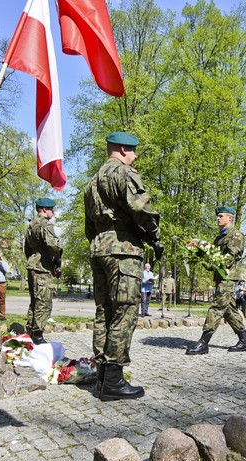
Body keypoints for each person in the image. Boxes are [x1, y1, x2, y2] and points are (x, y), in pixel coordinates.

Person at [84, 131, 162, 401]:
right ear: (121, 149)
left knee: (104, 311)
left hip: (99, 249)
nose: (135, 155)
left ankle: (103, 376)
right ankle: (114, 381)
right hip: (123, 251)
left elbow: (88, 226)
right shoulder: (123, 174)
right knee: (125, 312)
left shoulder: (92, 183)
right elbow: (141, 208)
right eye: (132, 150)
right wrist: (154, 236)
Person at [186, 206, 246, 355]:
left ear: (230, 218)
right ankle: (245, 341)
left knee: (217, 307)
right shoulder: (218, 238)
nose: (217, 218)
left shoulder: (235, 235)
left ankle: (203, 342)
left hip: (228, 277)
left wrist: (216, 261)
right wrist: (201, 255)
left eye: (221, 216)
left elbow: (230, 257)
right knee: (229, 310)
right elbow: (213, 263)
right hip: (220, 276)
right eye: (217, 216)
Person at [24, 198, 63, 345]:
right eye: (51, 209)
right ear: (44, 210)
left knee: (35, 301)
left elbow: (26, 248)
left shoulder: (31, 226)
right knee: (44, 302)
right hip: (42, 267)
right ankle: (37, 335)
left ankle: (30, 330)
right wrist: (57, 260)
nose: (53, 212)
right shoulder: (45, 224)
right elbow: (53, 245)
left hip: (33, 265)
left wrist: (32, 259)